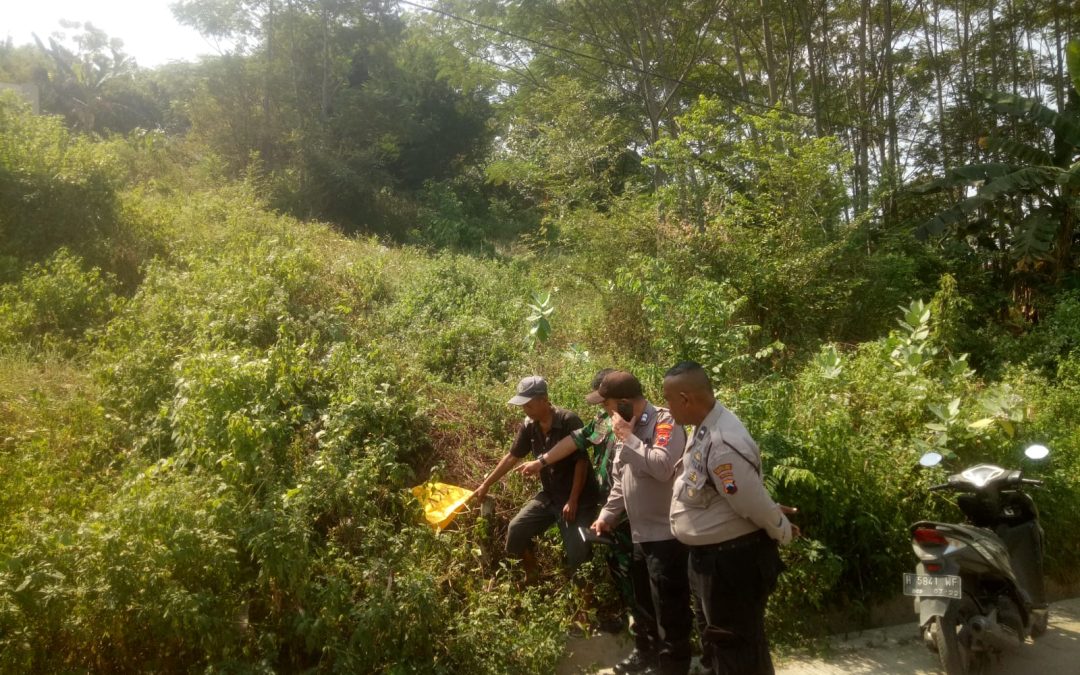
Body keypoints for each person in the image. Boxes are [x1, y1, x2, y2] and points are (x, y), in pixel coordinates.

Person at [662, 361, 797, 675]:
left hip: (730, 565)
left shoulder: (721, 442)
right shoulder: (706, 425)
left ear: (686, 399)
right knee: (718, 644)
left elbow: (751, 501)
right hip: (712, 562)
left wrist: (781, 529)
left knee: (737, 647)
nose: (667, 409)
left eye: (669, 400)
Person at [588, 371, 692, 675]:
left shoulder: (664, 422)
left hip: (666, 537)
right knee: (644, 607)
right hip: (639, 535)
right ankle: (646, 657)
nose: (606, 412)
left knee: (670, 613)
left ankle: (673, 668)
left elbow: (662, 466)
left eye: (608, 406)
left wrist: (628, 438)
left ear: (623, 403)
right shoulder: (625, 428)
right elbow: (622, 480)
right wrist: (607, 515)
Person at [517, 368, 635, 631]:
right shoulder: (604, 420)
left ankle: (648, 628)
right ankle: (631, 619)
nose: (603, 408)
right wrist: (541, 461)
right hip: (612, 506)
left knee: (640, 565)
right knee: (619, 562)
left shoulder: (648, 423)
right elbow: (576, 442)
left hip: (638, 512)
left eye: (605, 402)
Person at [473, 375, 600, 581]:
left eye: (529, 405)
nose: (525, 410)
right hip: (550, 496)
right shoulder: (529, 424)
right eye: (523, 405)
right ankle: (531, 573)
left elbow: (582, 462)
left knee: (578, 553)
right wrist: (486, 484)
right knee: (516, 530)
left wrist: (574, 499)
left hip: (577, 499)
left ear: (544, 400)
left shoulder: (569, 420)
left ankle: (585, 602)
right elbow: (512, 457)